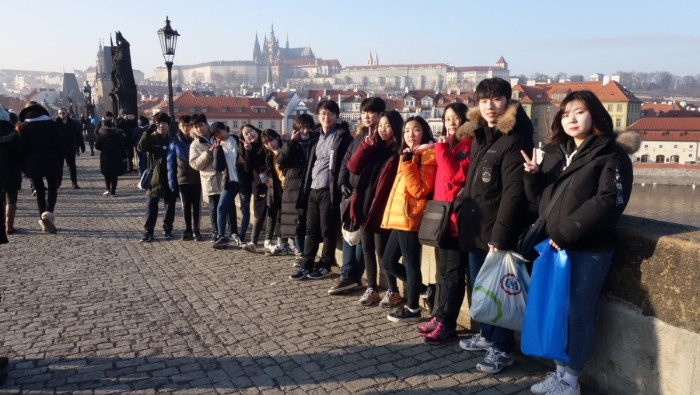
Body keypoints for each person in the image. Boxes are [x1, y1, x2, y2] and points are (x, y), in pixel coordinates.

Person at [522, 90, 638, 395]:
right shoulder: (555, 151)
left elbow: (610, 201)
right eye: (565, 113)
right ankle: (559, 372)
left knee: (579, 313)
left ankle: (571, 381)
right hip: (555, 245)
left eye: (579, 112)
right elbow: (538, 199)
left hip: (588, 247)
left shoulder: (611, 154)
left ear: (596, 115)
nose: (571, 119)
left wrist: (564, 233)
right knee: (558, 311)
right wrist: (533, 176)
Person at [454, 77, 534, 374]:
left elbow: (514, 193)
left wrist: (501, 236)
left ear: (507, 101)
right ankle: (487, 336)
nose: (489, 106)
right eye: (484, 100)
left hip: (496, 231)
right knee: (480, 288)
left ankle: (502, 349)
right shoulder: (481, 135)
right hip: (477, 227)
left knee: (498, 292)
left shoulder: (514, 139)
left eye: (496, 100)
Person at [418, 102, 473, 345]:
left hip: (457, 220)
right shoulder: (450, 144)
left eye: (455, 117)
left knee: (452, 275)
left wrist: (440, 149)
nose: (451, 122)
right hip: (442, 217)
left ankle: (448, 324)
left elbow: (456, 176)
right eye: (447, 118)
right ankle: (439, 315)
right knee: (441, 273)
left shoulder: (468, 143)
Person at [380, 116, 437, 323]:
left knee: (411, 264)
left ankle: (413, 308)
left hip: (411, 215)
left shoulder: (426, 154)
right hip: (401, 216)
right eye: (406, 131)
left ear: (425, 132)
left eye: (416, 130)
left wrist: (408, 163)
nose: (410, 135)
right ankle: (427, 290)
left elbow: (419, 189)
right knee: (388, 262)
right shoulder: (410, 154)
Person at [345, 110, 404, 308]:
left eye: (387, 125)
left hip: (381, 208)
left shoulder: (399, 152)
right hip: (364, 204)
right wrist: (365, 145)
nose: (382, 129)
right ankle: (371, 288)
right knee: (367, 249)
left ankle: (392, 291)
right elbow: (353, 167)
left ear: (396, 127)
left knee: (382, 251)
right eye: (380, 126)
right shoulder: (372, 146)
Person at [289, 100, 353, 281]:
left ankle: (325, 264)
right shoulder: (315, 136)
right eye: (323, 114)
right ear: (317, 116)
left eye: (330, 114)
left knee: (328, 229)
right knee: (310, 230)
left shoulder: (342, 137)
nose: (326, 117)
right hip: (313, 187)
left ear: (337, 116)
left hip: (329, 189)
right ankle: (306, 265)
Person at [329, 97, 386, 295]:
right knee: (348, 234)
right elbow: (347, 161)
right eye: (364, 113)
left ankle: (354, 276)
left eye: (370, 112)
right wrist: (342, 182)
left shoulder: (382, 138)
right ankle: (347, 275)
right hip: (351, 193)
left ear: (380, 114)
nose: (366, 116)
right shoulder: (360, 135)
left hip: (367, 195)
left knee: (362, 237)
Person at [277, 114, 319, 266]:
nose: (305, 131)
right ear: (296, 129)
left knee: (310, 224)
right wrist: (291, 143)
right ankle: (299, 253)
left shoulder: (317, 142)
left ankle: (308, 255)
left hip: (311, 188)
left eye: (308, 127)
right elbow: (281, 161)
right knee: (295, 224)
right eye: (301, 128)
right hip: (293, 189)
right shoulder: (290, 144)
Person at [18, 102, 64, 234]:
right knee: (52, 188)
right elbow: (60, 143)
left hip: (33, 161)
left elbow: (21, 148)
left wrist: (23, 165)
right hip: (51, 159)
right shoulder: (51, 124)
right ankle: (48, 213)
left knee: (39, 190)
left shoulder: (24, 126)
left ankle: (42, 217)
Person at [137, 112, 176, 242]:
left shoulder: (172, 140)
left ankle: (168, 229)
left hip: (170, 177)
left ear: (168, 125)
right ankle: (149, 231)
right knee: (151, 205)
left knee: (170, 205)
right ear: (155, 125)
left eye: (164, 124)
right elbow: (141, 148)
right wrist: (146, 133)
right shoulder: (151, 138)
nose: (162, 127)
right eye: (159, 124)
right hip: (154, 178)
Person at [189, 114, 223, 242]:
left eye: (201, 125)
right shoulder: (195, 144)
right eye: (196, 127)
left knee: (227, 206)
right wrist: (209, 153)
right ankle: (216, 231)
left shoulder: (218, 135)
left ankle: (229, 231)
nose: (199, 129)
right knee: (214, 207)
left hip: (225, 177)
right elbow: (194, 164)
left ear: (206, 123)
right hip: (210, 179)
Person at [168, 115, 202, 241]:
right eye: (184, 126)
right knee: (186, 206)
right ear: (179, 126)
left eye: (188, 126)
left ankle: (196, 230)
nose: (186, 128)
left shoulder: (197, 141)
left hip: (197, 179)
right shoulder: (175, 142)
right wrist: (172, 184)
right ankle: (188, 229)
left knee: (197, 206)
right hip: (182, 180)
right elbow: (171, 165)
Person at [211, 122, 241, 249]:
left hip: (242, 180)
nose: (219, 136)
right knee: (221, 207)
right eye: (216, 135)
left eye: (220, 132)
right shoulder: (219, 146)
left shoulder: (237, 140)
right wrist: (217, 150)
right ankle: (222, 236)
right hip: (229, 181)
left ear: (225, 129)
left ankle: (241, 235)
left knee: (244, 208)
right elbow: (218, 167)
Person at [241, 125, 270, 252]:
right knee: (258, 213)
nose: (249, 135)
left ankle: (271, 240)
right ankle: (253, 242)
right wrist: (248, 150)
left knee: (275, 212)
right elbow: (247, 168)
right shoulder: (248, 148)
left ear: (256, 129)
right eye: (245, 134)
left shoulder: (267, 141)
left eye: (250, 131)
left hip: (274, 182)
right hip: (259, 184)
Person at [0, 107, 21, 242]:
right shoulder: (14, 134)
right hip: (12, 169)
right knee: (11, 197)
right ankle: (10, 226)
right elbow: (21, 152)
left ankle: (2, 225)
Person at [95, 120, 127, 196]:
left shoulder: (102, 135)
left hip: (105, 157)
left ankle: (107, 189)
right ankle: (113, 191)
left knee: (106, 174)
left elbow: (97, 146)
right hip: (115, 156)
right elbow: (122, 147)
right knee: (114, 175)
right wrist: (124, 156)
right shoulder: (116, 134)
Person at [55, 107, 83, 189]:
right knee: (59, 167)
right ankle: (58, 183)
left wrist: (82, 145)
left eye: (63, 113)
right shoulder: (55, 124)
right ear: (58, 114)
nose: (62, 115)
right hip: (59, 149)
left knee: (72, 167)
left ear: (66, 113)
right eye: (60, 113)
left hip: (70, 148)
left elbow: (78, 135)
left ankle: (74, 182)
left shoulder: (72, 123)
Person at [116, 109, 137, 173]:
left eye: (125, 114)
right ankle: (124, 168)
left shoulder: (128, 120)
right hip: (122, 140)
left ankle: (130, 168)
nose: (124, 115)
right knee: (124, 154)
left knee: (130, 154)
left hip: (129, 139)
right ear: (120, 115)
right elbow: (117, 127)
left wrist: (133, 119)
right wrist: (123, 119)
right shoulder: (118, 120)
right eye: (123, 114)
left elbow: (134, 126)